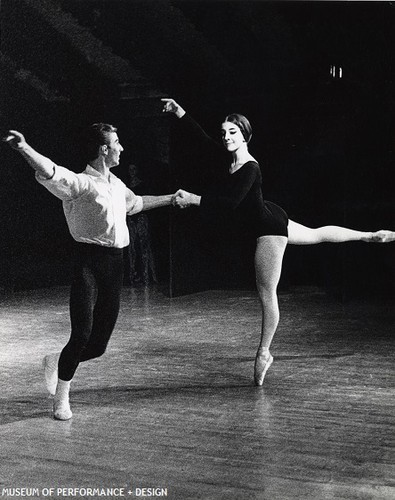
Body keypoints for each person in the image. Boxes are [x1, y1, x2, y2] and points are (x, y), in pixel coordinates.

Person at [162, 98, 395, 386]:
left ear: (245, 135)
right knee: (317, 233)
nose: (226, 138)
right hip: (270, 214)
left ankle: (263, 353)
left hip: (268, 229)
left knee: (266, 294)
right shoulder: (229, 158)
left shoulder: (250, 167)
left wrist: (193, 200)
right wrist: (180, 112)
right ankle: (371, 235)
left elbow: (230, 204)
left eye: (233, 132)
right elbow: (203, 140)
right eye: (224, 132)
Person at [4, 123, 175, 420]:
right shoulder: (81, 184)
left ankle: (56, 360)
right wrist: (24, 148)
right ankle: (61, 397)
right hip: (88, 263)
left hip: (115, 265)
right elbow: (50, 171)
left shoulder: (117, 185)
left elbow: (136, 204)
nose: (122, 148)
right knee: (81, 333)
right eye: (117, 143)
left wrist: (171, 198)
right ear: (104, 149)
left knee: (98, 346)